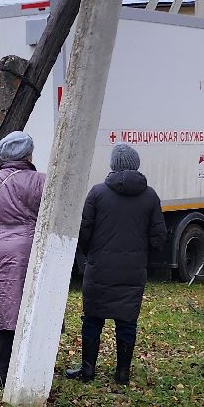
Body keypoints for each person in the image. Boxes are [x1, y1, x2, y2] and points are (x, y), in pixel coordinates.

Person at [67, 144, 168, 386]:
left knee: (92, 319)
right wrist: (144, 258)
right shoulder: (150, 196)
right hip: (133, 270)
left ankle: (88, 370)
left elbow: (84, 231)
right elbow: (159, 236)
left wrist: (89, 255)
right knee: (127, 322)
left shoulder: (97, 193)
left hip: (99, 268)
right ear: (136, 164)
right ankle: (122, 373)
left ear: (113, 165)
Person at [0, 131, 45, 388]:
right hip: (33, 249)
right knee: (34, 306)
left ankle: (4, 373)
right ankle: (33, 369)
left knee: (3, 308)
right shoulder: (42, 181)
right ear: (28, 155)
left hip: (0, 250)